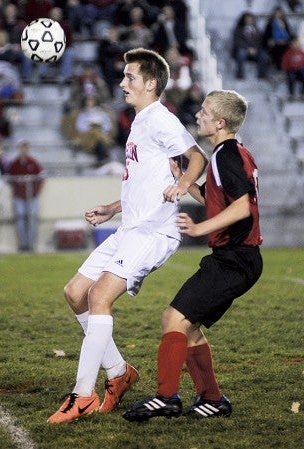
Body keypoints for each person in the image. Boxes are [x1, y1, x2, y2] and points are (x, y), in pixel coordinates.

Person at [47, 47, 207, 424]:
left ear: (151, 84)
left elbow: (196, 155)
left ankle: (82, 395)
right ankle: (119, 372)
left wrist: (183, 183)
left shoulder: (159, 118)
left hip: (154, 231)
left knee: (99, 296)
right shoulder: (138, 122)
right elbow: (141, 183)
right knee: (75, 293)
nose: (122, 83)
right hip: (130, 226)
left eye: (130, 77)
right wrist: (110, 207)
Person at [123, 89, 263, 422]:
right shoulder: (230, 153)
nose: (198, 115)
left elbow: (242, 208)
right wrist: (184, 182)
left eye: (204, 111)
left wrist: (201, 230)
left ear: (220, 122)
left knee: (173, 319)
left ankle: (165, 397)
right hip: (237, 258)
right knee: (189, 327)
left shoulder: (226, 155)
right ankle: (212, 399)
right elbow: (221, 203)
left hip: (234, 259)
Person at [7, 140, 45, 252]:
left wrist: (36, 192)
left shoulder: (33, 162)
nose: (23, 150)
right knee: (20, 218)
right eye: (21, 148)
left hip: (32, 197)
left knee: (32, 219)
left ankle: (31, 244)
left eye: (25, 148)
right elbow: (9, 178)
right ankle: (23, 244)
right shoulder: (14, 163)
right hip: (19, 197)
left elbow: (41, 177)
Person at [231, 12, 269, 79]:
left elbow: (260, 41)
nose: (249, 21)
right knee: (241, 54)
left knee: (264, 56)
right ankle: (240, 75)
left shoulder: (257, 30)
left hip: (255, 51)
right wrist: (247, 49)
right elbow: (237, 41)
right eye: (247, 19)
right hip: (243, 50)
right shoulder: (238, 29)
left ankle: (262, 76)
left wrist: (256, 49)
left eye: (250, 19)